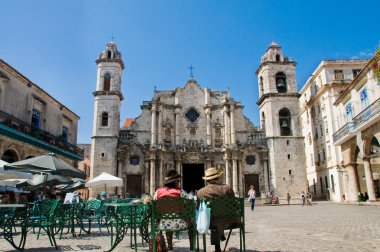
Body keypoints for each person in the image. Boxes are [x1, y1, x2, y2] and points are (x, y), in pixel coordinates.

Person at [197, 167, 236, 252]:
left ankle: (217, 248)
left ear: (207, 180)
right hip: (229, 221)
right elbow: (234, 204)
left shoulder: (200, 192)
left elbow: (198, 209)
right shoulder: (227, 188)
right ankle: (218, 246)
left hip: (209, 222)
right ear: (218, 178)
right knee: (219, 218)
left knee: (214, 219)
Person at [154, 169, 194, 251]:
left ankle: (170, 246)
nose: (179, 182)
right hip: (181, 224)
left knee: (167, 219)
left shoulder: (158, 192)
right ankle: (192, 247)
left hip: (163, 224)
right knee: (192, 224)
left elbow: (154, 204)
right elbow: (190, 204)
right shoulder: (180, 192)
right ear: (175, 182)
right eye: (178, 180)